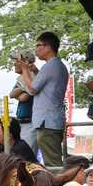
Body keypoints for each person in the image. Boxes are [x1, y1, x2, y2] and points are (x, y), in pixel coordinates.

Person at [21, 31, 69, 167]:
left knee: (53, 164)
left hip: (47, 122)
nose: (36, 49)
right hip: (52, 120)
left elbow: (31, 89)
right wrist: (36, 71)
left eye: (39, 45)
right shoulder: (57, 65)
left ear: (48, 47)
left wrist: (24, 70)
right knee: (52, 160)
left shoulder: (50, 66)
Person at [9, 49, 38, 153]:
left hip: (30, 122)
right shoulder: (21, 78)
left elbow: (23, 97)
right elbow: (11, 94)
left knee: (27, 155)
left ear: (25, 62)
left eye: (17, 61)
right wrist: (24, 88)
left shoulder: (33, 76)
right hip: (23, 122)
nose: (15, 64)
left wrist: (23, 89)